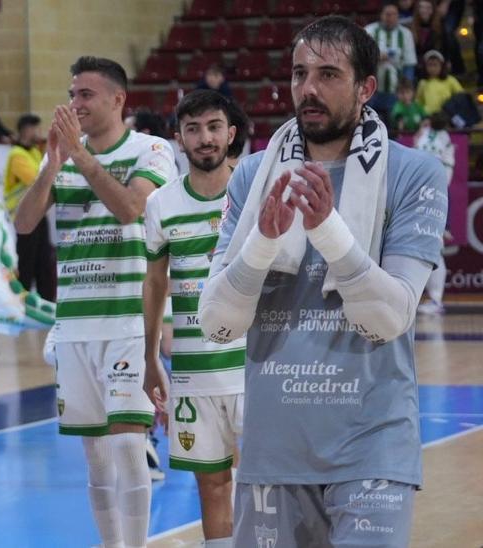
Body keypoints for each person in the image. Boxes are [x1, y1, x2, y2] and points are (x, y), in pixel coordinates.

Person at [198, 16, 447, 547]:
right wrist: (262, 244)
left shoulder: (414, 173)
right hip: (274, 451)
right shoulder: (253, 175)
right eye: (299, 73)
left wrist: (328, 231)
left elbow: (390, 316)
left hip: (372, 448)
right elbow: (216, 323)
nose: (308, 88)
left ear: (365, 89)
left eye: (329, 74)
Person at [12, 56, 176, 548]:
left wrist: (82, 161)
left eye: (85, 94)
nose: (74, 103)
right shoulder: (64, 154)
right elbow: (23, 223)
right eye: (72, 93)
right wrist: (53, 165)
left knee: (128, 447)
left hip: (127, 318)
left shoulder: (152, 149)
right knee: (97, 458)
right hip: (76, 324)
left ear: (117, 100)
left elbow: (132, 208)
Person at [142, 90, 246, 548]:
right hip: (193, 373)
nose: (204, 138)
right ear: (179, 139)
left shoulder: (254, 191)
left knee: (269, 486)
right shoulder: (162, 204)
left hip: (253, 369)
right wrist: (150, 359)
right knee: (212, 484)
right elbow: (155, 284)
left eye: (213, 126)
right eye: (193, 129)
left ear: (231, 133)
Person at [4, 113, 55, 301]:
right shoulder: (16, 155)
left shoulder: (33, 152)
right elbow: (34, 178)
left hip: (39, 212)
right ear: (26, 130)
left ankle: (47, 299)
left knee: (44, 257)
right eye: (35, 129)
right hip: (22, 215)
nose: (38, 133)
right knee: (27, 259)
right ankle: (23, 299)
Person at [414, 111, 454, 316]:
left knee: (435, 248)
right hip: (417, 195)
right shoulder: (424, 134)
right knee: (420, 247)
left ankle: (436, 300)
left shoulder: (446, 141)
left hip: (434, 196)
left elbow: (446, 174)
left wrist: (436, 195)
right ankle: (423, 297)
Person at [413, 49, 462, 114]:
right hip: (429, 115)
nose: (432, 69)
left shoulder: (450, 80)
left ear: (441, 66)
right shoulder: (423, 83)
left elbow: (460, 96)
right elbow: (418, 101)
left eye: (435, 65)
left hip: (447, 114)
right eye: (430, 65)